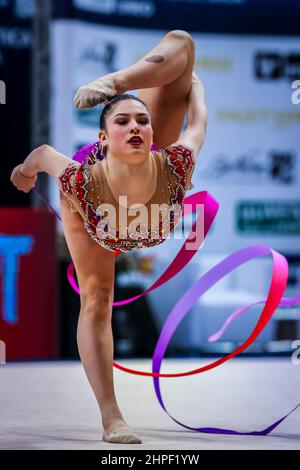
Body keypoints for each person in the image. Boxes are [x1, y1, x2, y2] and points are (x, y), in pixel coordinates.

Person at [10, 30, 207, 444]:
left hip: (141, 198)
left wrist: (195, 89)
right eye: (122, 121)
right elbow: (45, 153)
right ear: (103, 138)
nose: (135, 125)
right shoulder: (82, 180)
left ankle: (119, 83)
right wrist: (25, 173)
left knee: (182, 42)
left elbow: (198, 121)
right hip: (94, 216)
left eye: (142, 121)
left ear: (153, 136)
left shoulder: (176, 163)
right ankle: (111, 416)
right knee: (97, 299)